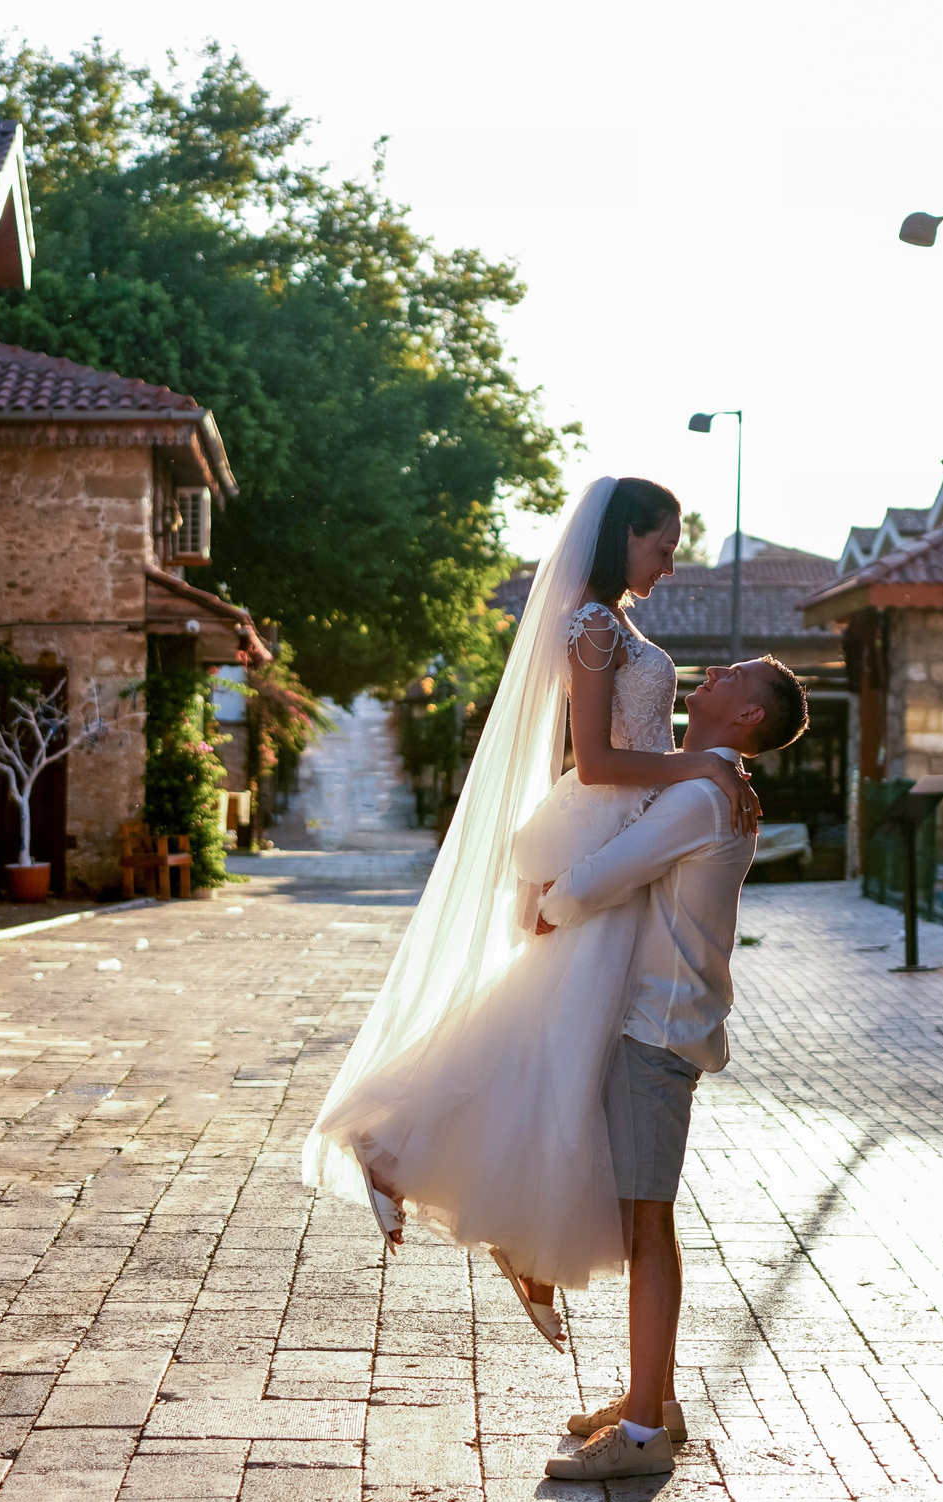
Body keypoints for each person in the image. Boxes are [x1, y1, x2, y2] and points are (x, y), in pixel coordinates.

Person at [302, 478, 761, 1344]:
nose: (669, 561)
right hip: (605, 830)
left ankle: (500, 1220)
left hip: (628, 831)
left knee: (563, 1041)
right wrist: (697, 769)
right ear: (621, 535)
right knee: (560, 1040)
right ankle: (407, 1151)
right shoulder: (590, 628)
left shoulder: (616, 624)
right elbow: (594, 761)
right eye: (661, 545)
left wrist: (699, 770)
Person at [531, 655, 809, 1479]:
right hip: (663, 1024)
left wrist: (542, 904)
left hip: (655, 1031)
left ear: (748, 716)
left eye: (735, 674)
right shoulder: (709, 784)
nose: (714, 670)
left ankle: (645, 1433)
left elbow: (606, 876)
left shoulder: (700, 797)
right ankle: (650, 1395)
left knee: (648, 1226)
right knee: (646, 1222)